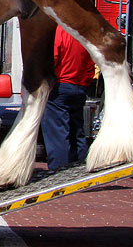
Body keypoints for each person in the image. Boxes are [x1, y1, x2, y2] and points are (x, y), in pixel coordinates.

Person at [41, 26, 96, 170]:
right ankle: (79, 168)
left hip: (60, 85)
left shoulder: (59, 30)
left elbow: (53, 57)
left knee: (57, 133)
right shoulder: (83, 34)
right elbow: (91, 65)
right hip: (78, 86)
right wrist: (84, 83)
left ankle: (59, 170)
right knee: (77, 130)